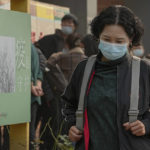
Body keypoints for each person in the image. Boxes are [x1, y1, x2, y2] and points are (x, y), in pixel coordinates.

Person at [61, 5, 150, 150]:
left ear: (130, 40)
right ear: (98, 36)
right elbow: (69, 104)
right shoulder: (84, 69)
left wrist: (146, 125)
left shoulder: (143, 70)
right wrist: (71, 125)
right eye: (107, 39)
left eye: (119, 41)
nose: (112, 45)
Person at [30, 44, 43, 150]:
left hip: (26, 96)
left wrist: (31, 86)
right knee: (31, 130)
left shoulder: (24, 46)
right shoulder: (33, 49)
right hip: (33, 97)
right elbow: (39, 71)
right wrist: (38, 86)